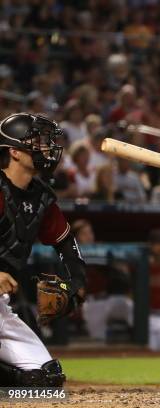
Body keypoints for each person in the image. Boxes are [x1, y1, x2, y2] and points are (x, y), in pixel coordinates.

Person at [0, 113, 86, 386]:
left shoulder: (41, 197)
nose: (46, 147)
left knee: (45, 379)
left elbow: (66, 243)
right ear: (14, 151)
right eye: (36, 141)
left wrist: (76, 283)